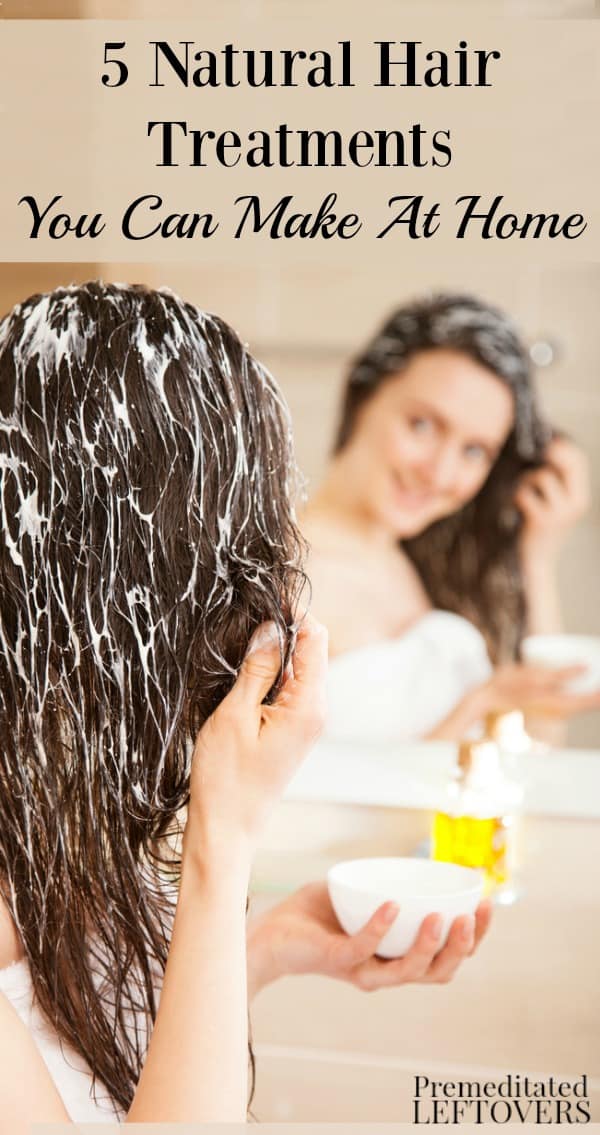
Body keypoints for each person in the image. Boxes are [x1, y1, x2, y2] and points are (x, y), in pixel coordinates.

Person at [0, 283, 491, 1128]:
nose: (258, 583)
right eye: (226, 540)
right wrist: (220, 844)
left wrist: (260, 950)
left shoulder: (52, 778)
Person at [302, 294, 598, 743]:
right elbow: (264, 799)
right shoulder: (281, 575)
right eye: (422, 425)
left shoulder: (429, 564)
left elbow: (540, 747)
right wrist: (484, 702)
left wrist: (537, 559)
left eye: (474, 451)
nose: (439, 474)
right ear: (361, 396)